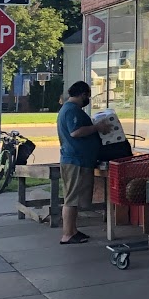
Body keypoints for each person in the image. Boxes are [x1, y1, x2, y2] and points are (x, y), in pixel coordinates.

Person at [57, 81, 113, 245]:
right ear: (82, 94)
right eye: (87, 95)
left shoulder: (71, 110)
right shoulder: (71, 111)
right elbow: (76, 132)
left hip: (80, 160)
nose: (88, 98)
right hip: (75, 160)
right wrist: (97, 127)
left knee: (75, 198)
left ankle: (73, 230)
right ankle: (67, 234)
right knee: (71, 198)